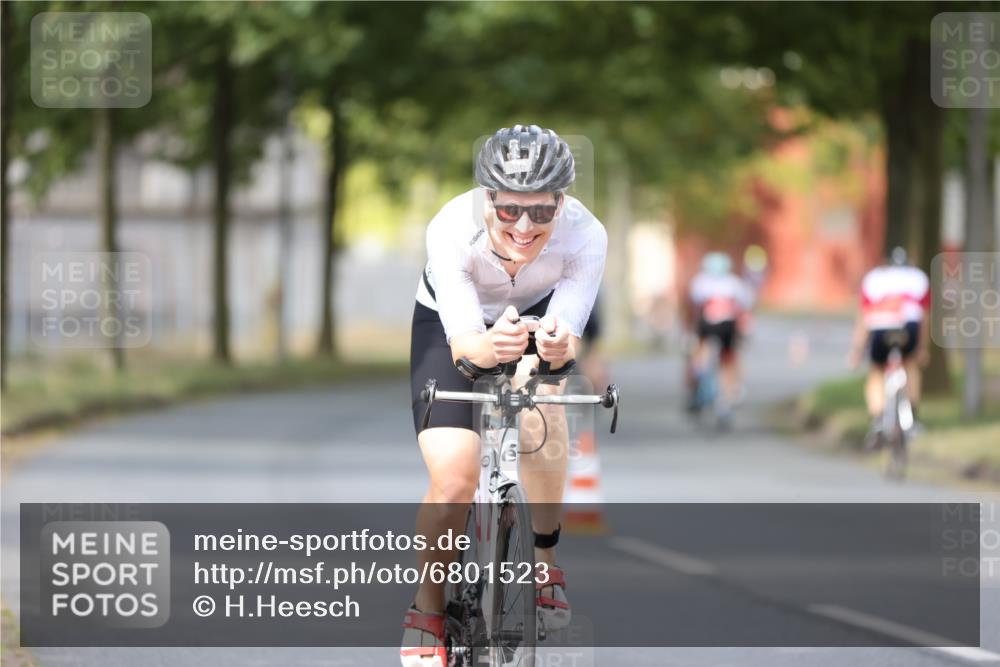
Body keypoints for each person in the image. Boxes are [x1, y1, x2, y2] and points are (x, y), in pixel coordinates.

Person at [403, 125, 607, 666]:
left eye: (541, 212)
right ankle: (427, 611)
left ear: (561, 204)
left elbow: (564, 346)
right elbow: (468, 350)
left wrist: (557, 348)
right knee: (454, 477)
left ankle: (545, 564)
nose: (524, 226)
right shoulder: (451, 225)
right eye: (510, 210)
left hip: (538, 310)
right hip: (452, 320)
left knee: (545, 413)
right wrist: (486, 348)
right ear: (487, 199)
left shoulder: (587, 235)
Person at [847, 246, 930, 440]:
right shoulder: (919, 278)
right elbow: (925, 317)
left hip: (880, 327)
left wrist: (857, 349)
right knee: (910, 365)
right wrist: (922, 348)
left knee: (877, 370)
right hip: (909, 327)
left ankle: (878, 418)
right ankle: (913, 419)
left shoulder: (873, 278)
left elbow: (864, 316)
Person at [684, 252, 753, 416]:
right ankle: (730, 393)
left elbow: (693, 308)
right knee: (728, 360)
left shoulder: (700, 282)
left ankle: (698, 377)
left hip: (706, 325)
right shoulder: (734, 283)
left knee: (698, 352)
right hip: (728, 326)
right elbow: (743, 308)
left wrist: (689, 329)